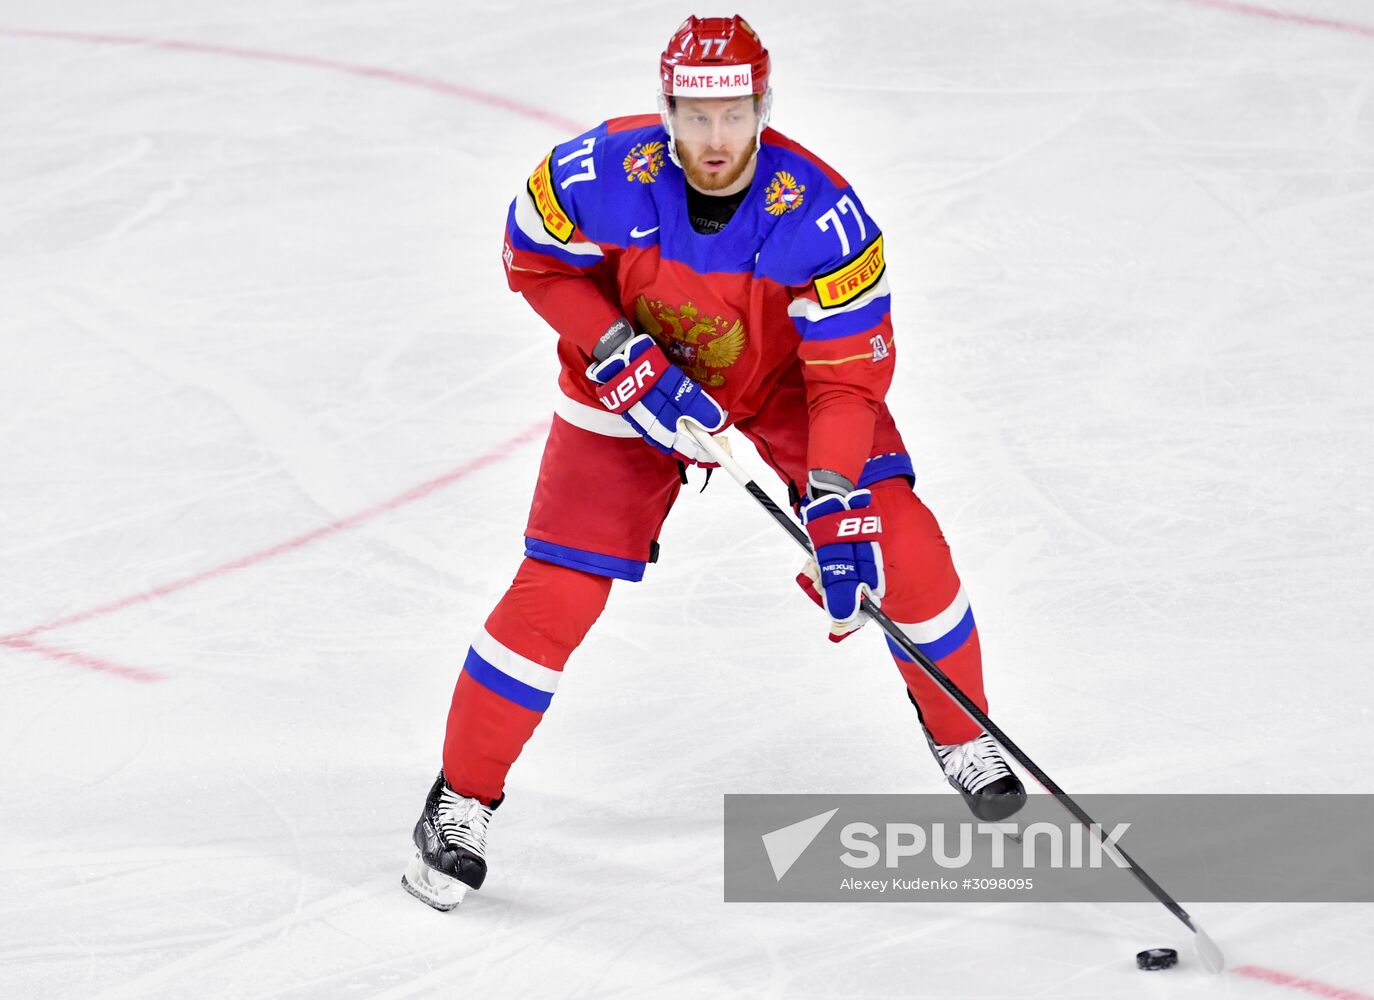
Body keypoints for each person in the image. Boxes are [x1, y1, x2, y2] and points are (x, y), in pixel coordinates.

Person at [401, 14, 1026, 911]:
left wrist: (837, 494)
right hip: (626, 385)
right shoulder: (599, 173)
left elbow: (846, 382)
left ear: (763, 108)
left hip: (783, 388)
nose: (715, 139)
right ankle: (459, 800)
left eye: (733, 114)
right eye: (696, 116)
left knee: (900, 543)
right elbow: (530, 260)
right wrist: (615, 344)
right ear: (667, 110)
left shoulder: (824, 214)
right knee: (558, 590)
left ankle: (964, 736)